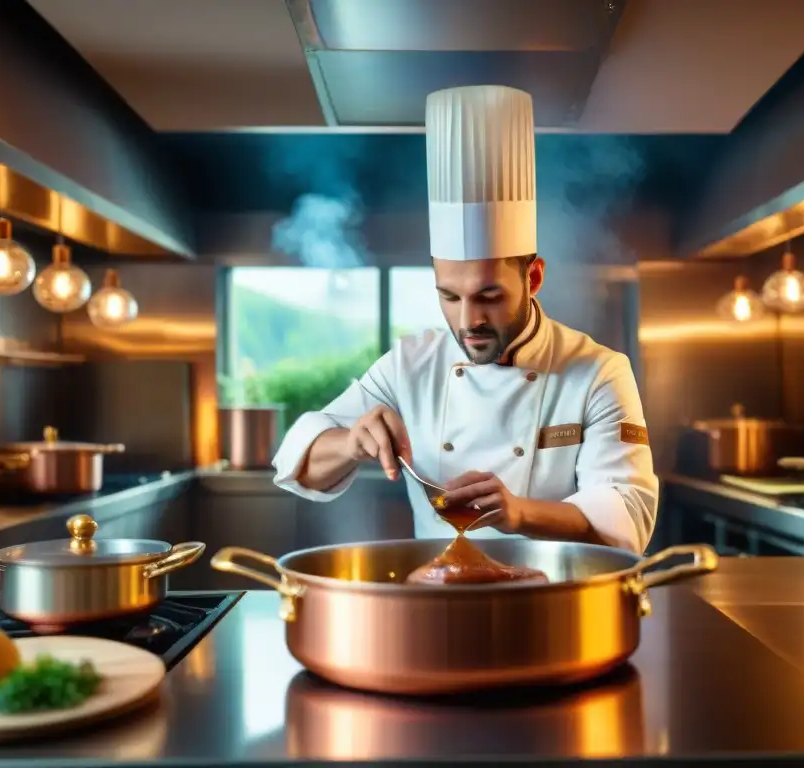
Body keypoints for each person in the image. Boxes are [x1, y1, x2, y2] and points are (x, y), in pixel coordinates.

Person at [272, 85, 659, 554]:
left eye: (489, 296)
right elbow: (300, 458)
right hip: (436, 598)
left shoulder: (597, 371)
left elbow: (628, 515)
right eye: (449, 296)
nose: (468, 320)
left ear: (533, 278)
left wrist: (520, 512)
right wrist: (352, 441)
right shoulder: (412, 364)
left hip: (552, 598)